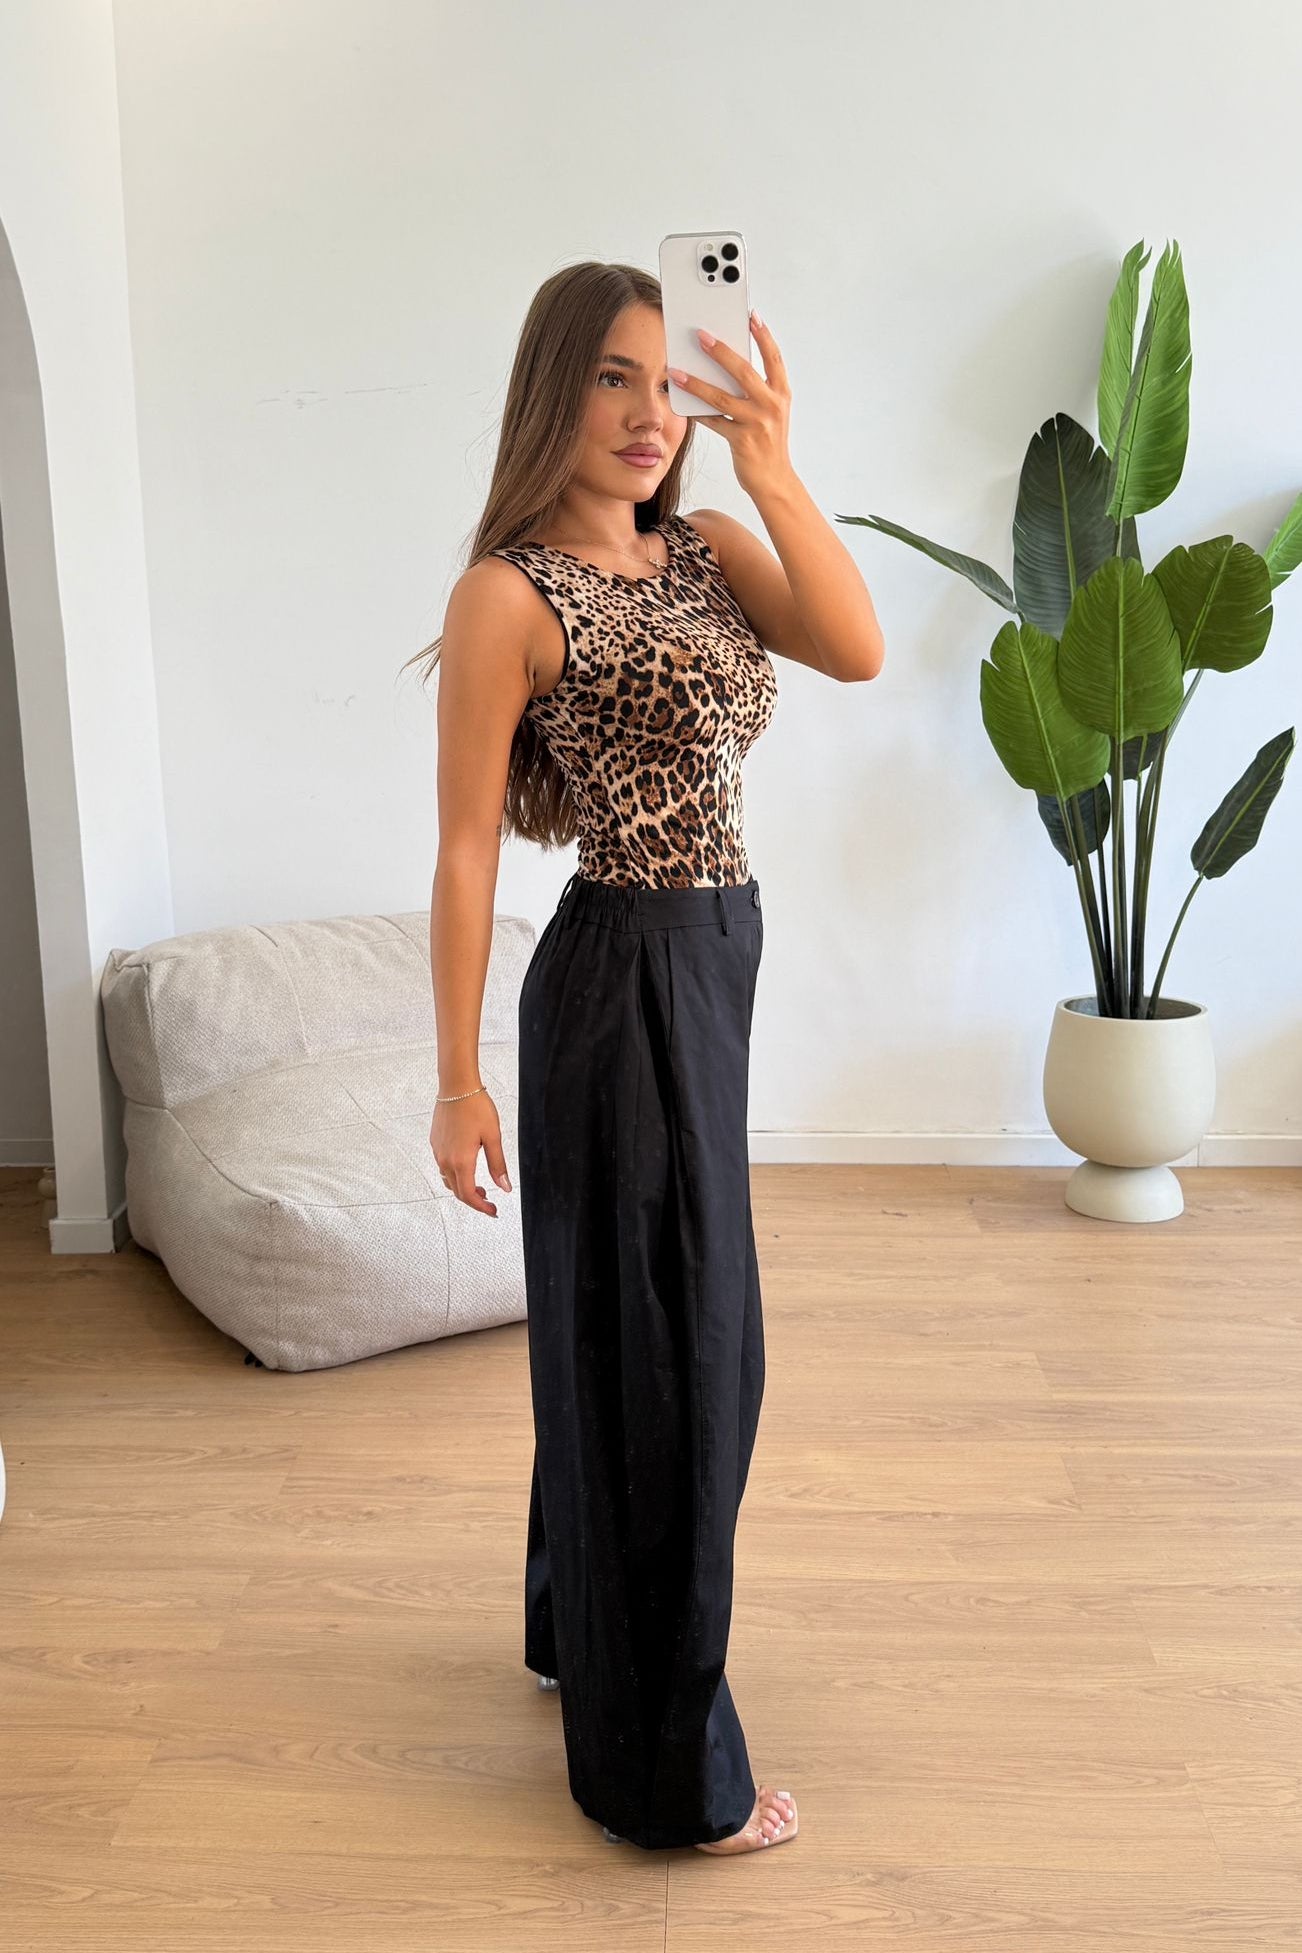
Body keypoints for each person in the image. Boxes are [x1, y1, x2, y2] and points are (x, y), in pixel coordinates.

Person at [404, 259, 883, 1853]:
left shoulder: (709, 548)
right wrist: (456, 1079)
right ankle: (667, 1775)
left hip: (711, 963)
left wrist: (775, 465)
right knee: (684, 1360)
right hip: (621, 978)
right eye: (612, 376)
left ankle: (578, 1636)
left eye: (662, 379)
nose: (646, 410)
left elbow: (856, 647)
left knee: (630, 1328)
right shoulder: (509, 594)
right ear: (554, 388)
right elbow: (464, 848)